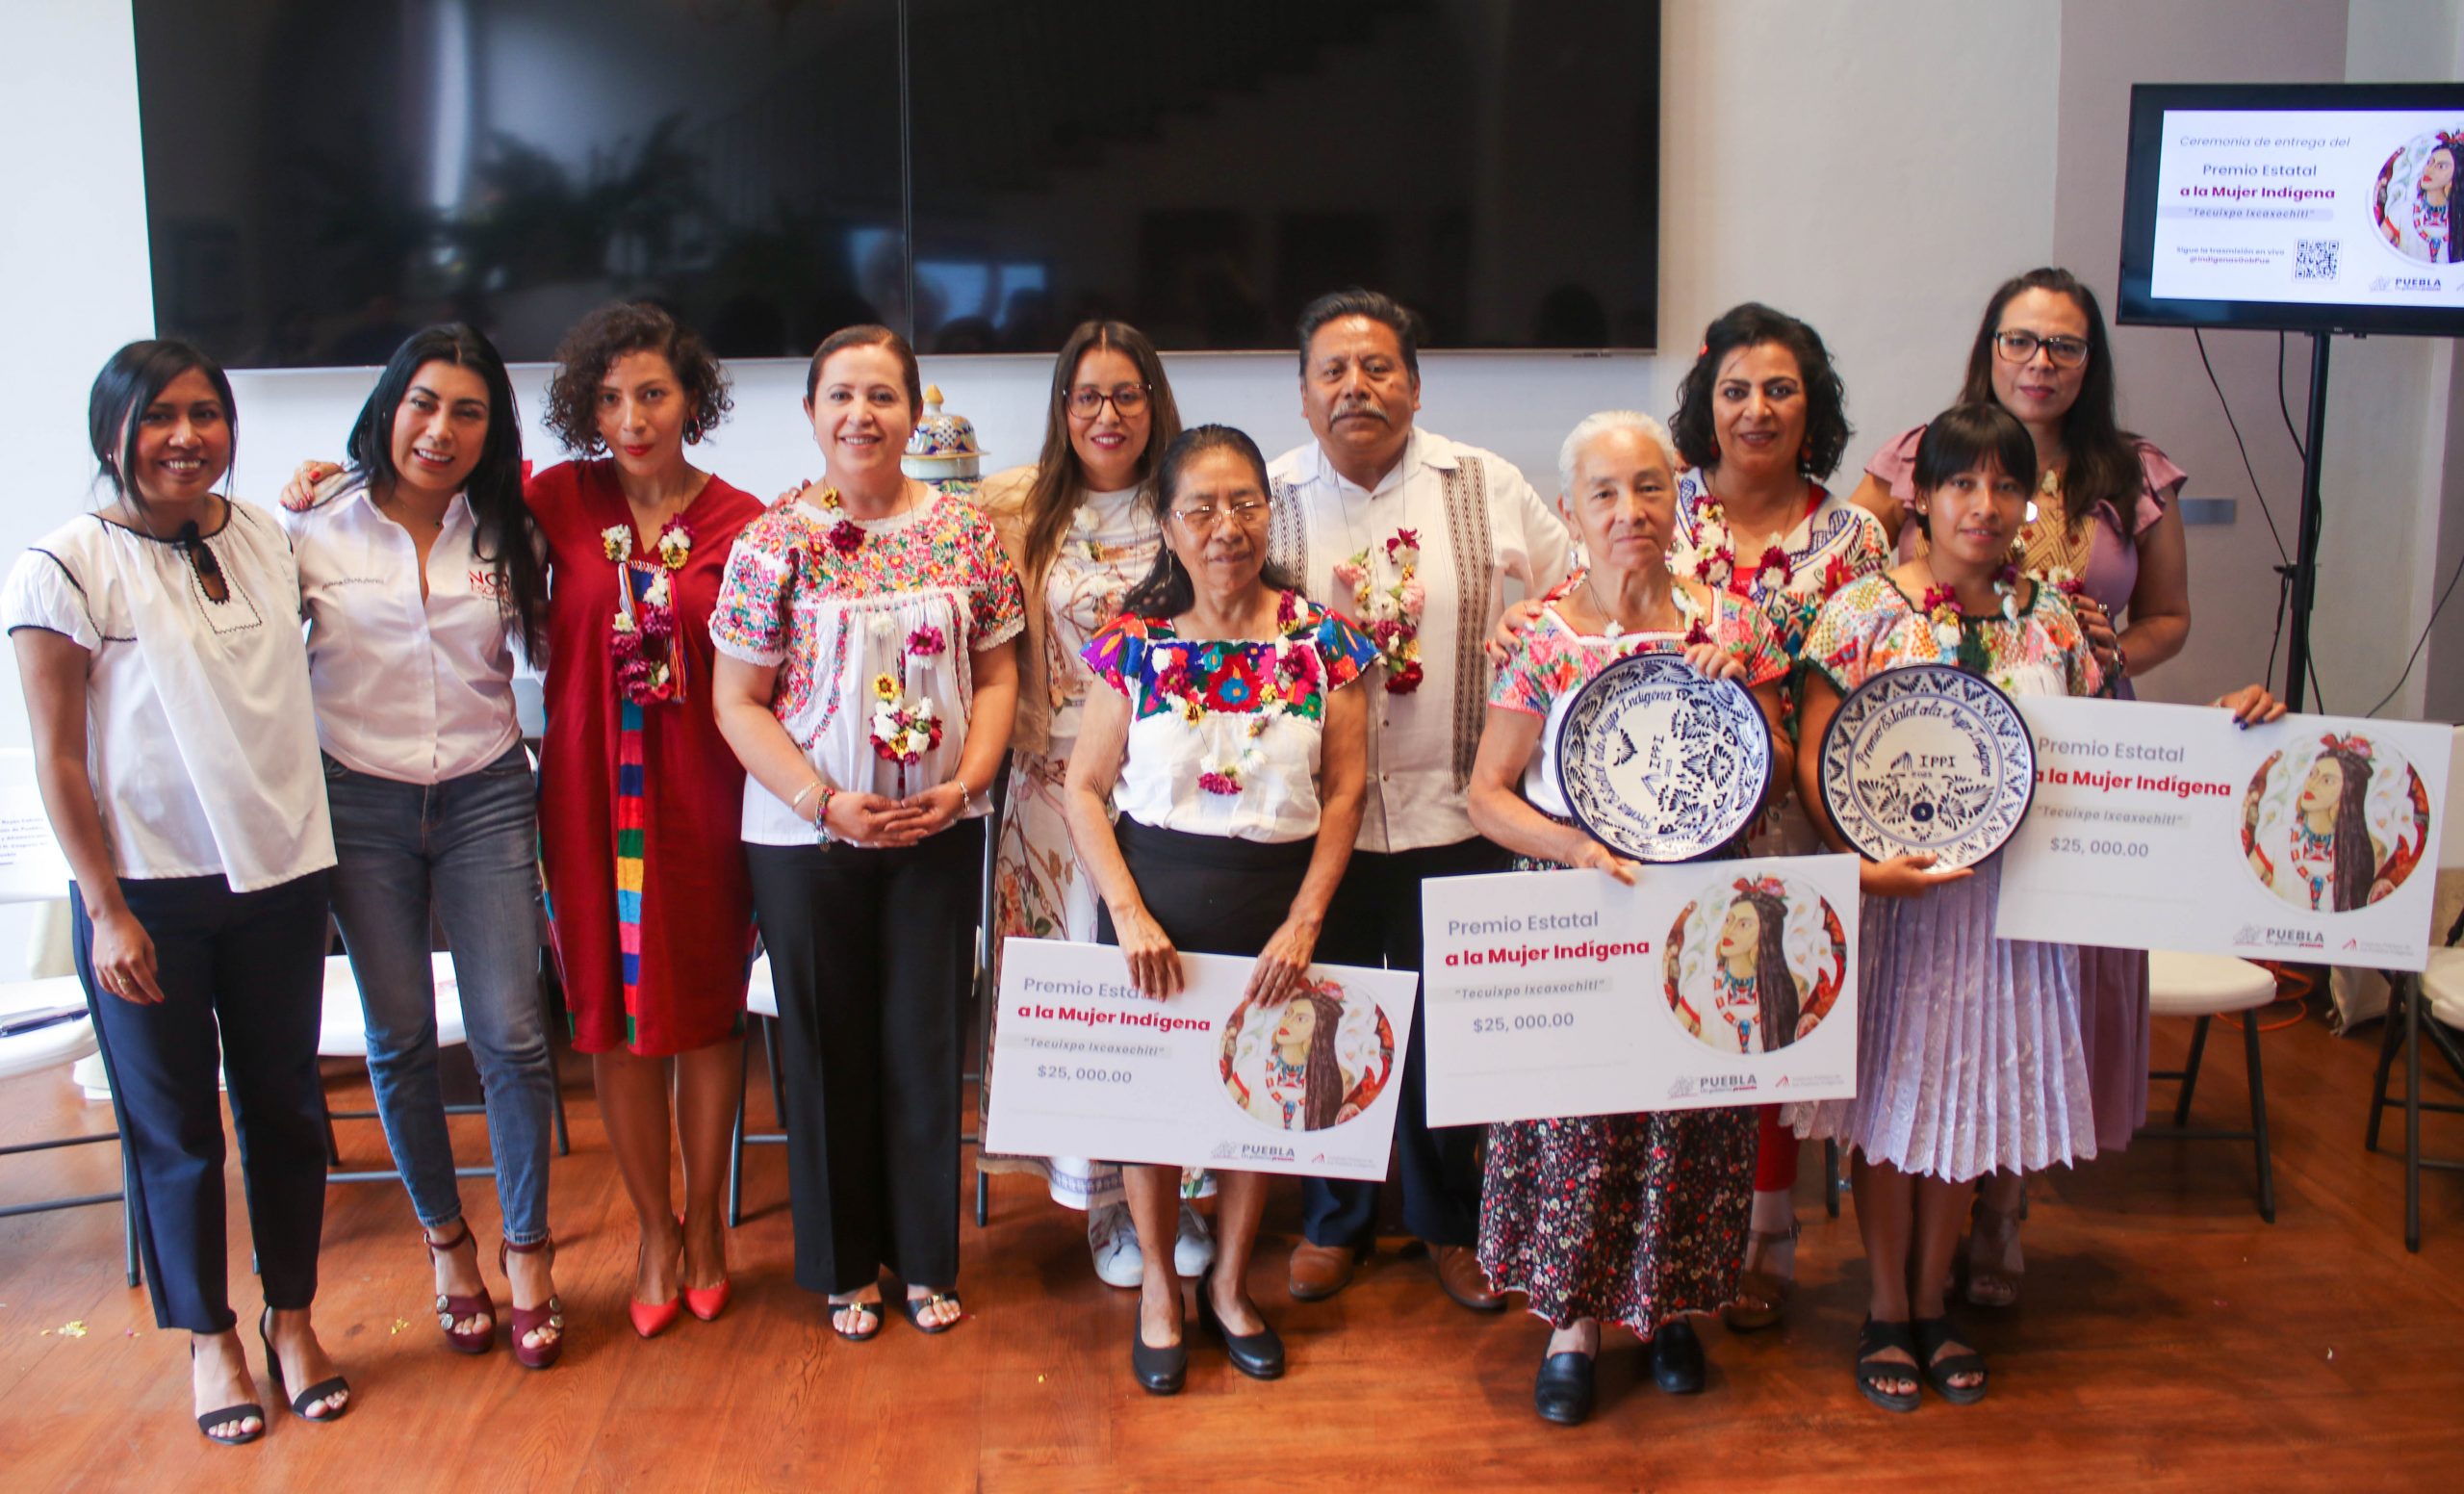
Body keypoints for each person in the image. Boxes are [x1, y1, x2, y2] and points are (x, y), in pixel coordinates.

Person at [279, 303, 762, 1338]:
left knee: (707, 1010)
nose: (629, 417)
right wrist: (330, 472)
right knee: (611, 1018)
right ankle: (651, 1231)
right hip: (582, 796)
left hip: (702, 797)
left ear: (693, 400)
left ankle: (710, 1227)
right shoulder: (547, 500)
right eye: (607, 397)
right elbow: (420, 482)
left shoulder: (743, 519)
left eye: (652, 394)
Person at [1795, 402, 2285, 1412]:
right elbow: (1815, 758)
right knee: (1889, 1105)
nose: (1983, 505)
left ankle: (1935, 1303)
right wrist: (1864, 864)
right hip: (1899, 903)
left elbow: (2118, 762)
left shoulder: (2056, 619)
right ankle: (1885, 1308)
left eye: (2005, 485)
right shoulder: (1858, 613)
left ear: (2029, 503)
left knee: (1966, 1102)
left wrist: (2240, 729)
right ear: (1920, 496)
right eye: (1960, 483)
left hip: (2013, 910)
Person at [8, 341, 347, 1444]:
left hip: (280, 875)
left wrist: (320, 488)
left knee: (289, 1111)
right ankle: (211, 1339)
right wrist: (104, 910)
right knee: (176, 1130)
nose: (187, 436)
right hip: (147, 893)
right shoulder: (65, 564)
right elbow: (58, 757)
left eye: (207, 413)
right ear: (115, 430)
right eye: (161, 416)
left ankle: (292, 1317)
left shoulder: (261, 535)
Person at [1849, 268, 2193, 1307]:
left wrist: (2092, 656)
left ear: (2091, 362)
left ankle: (2003, 1213)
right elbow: (1842, 579)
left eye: (2064, 345)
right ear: (1987, 347)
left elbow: (2169, 617)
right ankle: (1904, 1281)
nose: (2039, 362)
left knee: (2043, 992)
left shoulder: (2129, 471)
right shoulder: (1921, 451)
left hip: (2076, 750)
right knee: (1935, 1009)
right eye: (2020, 340)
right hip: (1932, 777)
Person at [1467, 410, 1792, 1427]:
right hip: (1581, 901)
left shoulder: (1730, 624)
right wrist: (1571, 848)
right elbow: (1487, 793)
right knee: (1578, 1125)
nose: (1628, 512)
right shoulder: (1544, 636)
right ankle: (1572, 1324)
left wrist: (1751, 704)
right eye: (1603, 493)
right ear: (1570, 510)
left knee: (1688, 1116)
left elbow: (1775, 775)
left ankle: (1673, 1306)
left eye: (1648, 487)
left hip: (1702, 909)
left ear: (1677, 497)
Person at [709, 324, 1023, 1341]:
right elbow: (738, 702)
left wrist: (965, 787)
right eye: (840, 394)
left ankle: (927, 1258)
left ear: (914, 411)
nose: (861, 414)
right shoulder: (771, 542)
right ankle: (845, 1266)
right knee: (827, 1046)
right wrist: (821, 802)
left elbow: (1000, 673)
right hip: (807, 840)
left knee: (925, 1041)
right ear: (810, 413)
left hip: (936, 827)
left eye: (883, 394)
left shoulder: (967, 534)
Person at [1265, 287, 1575, 1311]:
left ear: (1415, 383)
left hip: (1463, 812)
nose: (1356, 387)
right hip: (1321, 825)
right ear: (1303, 394)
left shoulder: (1487, 485)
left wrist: (1539, 614)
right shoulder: (1265, 501)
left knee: (1453, 1030)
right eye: (1333, 372)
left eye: (1378, 367)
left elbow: (1580, 597)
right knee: (1328, 1018)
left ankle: (1452, 1221)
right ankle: (1334, 1218)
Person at [1066, 425, 1374, 1394]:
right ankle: (1161, 1289)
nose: (1225, 526)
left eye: (1243, 503)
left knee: (1261, 1108)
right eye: (1199, 507)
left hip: (1278, 913)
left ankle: (1232, 1289)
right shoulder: (1134, 645)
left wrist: (1306, 921)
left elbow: (1346, 794)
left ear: (1266, 513)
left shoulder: (1323, 642)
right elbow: (1084, 789)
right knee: (1155, 1119)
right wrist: (1126, 911)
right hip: (1156, 914)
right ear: (1167, 523)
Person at [283, 324, 564, 1368]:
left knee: (512, 1033)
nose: (439, 430)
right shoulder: (310, 525)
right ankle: (449, 1247)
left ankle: (528, 1249)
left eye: (468, 411)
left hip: (487, 793)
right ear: (389, 406)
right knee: (398, 1038)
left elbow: (550, 657)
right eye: (423, 404)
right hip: (357, 802)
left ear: (491, 431)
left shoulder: (508, 533)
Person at [971, 320, 1216, 1288]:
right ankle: (1107, 1205)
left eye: (1126, 395)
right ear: (1060, 410)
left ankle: (1182, 1189)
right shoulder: (1010, 509)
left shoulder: (1193, 500)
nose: (1106, 415)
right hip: (1047, 793)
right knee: (1083, 993)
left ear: (1154, 405)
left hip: (1170, 793)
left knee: (1169, 985)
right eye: (1086, 397)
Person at [2379, 138, 2459, 263]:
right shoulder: (2403, 211)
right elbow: (2375, 252)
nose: (2428, 170)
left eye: (2441, 166)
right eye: (2429, 162)